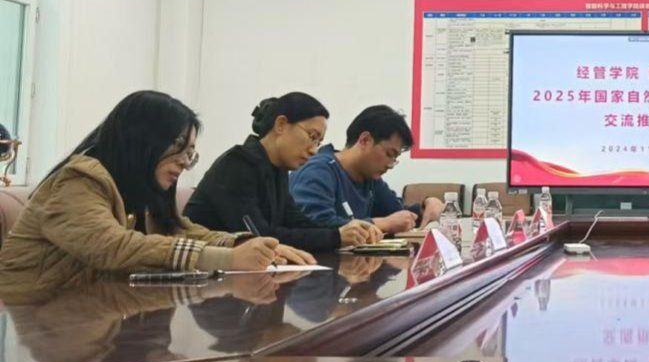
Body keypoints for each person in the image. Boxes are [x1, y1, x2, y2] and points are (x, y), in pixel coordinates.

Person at [0, 91, 312, 292]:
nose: (184, 162)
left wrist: (247, 245)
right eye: (178, 147)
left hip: (90, 317)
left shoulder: (137, 189)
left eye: (190, 153)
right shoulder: (78, 180)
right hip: (24, 323)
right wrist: (229, 258)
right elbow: (113, 246)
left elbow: (179, 229)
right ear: (141, 141)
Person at [185, 93, 380, 252]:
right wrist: (335, 237)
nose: (314, 150)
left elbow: (297, 222)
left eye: (318, 142)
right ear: (281, 125)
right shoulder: (238, 164)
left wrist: (348, 229)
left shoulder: (278, 169)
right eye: (312, 137)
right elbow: (259, 236)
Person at [290, 105, 440, 234]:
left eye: (395, 158)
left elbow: (398, 213)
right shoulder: (317, 171)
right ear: (365, 140)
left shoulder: (369, 177)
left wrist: (426, 205)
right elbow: (313, 228)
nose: (390, 165)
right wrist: (382, 224)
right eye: (389, 154)